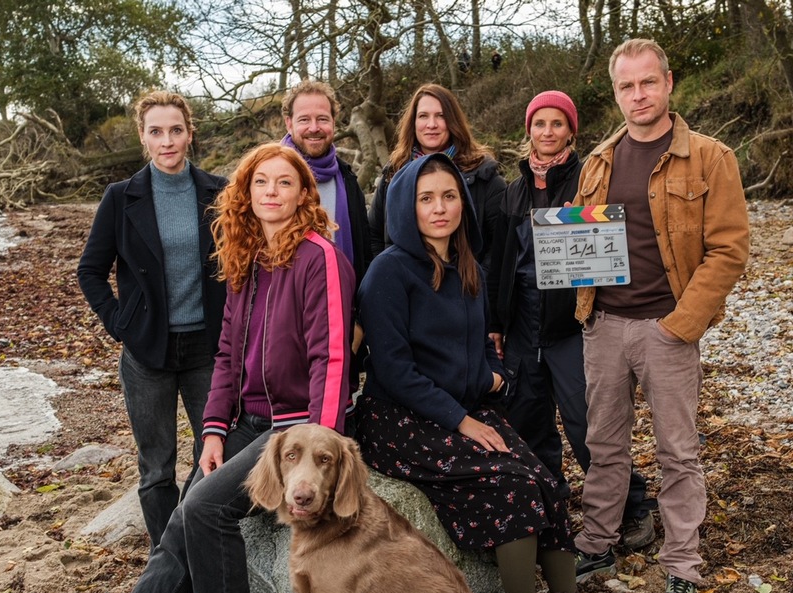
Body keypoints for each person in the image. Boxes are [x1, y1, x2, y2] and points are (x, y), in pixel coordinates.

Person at [81, 143, 355, 593]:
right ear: (245, 194)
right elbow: (226, 353)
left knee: (205, 510)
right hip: (248, 423)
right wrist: (211, 430)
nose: (271, 192)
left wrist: (317, 445)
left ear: (303, 194)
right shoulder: (246, 259)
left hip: (294, 428)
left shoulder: (319, 257)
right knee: (178, 532)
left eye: (284, 183)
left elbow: (333, 355)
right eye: (260, 183)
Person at [356, 153, 614, 593]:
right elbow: (396, 370)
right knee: (509, 487)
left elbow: (486, 338)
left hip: (462, 405)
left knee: (544, 477)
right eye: (426, 198)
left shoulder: (467, 262)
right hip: (398, 418)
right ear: (407, 206)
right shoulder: (389, 271)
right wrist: (464, 421)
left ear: (464, 203)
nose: (440, 207)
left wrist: (494, 370)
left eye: (449, 196)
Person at [570, 38, 750, 593]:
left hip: (666, 328)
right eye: (627, 86)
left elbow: (729, 250)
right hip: (603, 325)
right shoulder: (598, 159)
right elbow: (576, 241)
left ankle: (681, 566)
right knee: (604, 445)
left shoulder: (710, 157)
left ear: (669, 83)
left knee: (678, 451)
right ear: (615, 92)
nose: (638, 95)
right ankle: (597, 543)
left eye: (648, 83)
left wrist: (682, 324)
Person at [487, 90, 656, 547]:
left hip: (573, 329)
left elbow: (613, 249)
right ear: (528, 132)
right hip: (523, 331)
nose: (547, 132)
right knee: (530, 426)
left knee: (590, 428)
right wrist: (496, 323)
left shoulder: (589, 180)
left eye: (557, 124)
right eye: (539, 124)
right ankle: (548, 510)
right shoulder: (512, 192)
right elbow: (501, 264)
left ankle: (634, 506)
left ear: (571, 131)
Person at [77, 91, 227, 549]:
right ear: (143, 137)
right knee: (157, 466)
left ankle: (194, 544)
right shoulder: (121, 198)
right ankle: (168, 563)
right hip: (147, 352)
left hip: (208, 347)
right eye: (157, 132)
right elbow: (90, 270)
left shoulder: (219, 192)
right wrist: (122, 323)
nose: (168, 141)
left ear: (189, 132)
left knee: (214, 457)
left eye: (176, 130)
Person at [367, 83, 505, 263]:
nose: (431, 124)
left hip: (466, 285)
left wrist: (475, 286)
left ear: (452, 121)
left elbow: (499, 247)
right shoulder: (393, 173)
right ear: (413, 123)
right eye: (423, 116)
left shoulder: (484, 174)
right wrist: (390, 277)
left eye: (440, 116)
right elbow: (374, 235)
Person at [279, 79, 373, 283]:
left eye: (322, 119)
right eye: (304, 120)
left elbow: (364, 249)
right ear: (289, 123)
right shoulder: (267, 177)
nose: (314, 128)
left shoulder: (347, 179)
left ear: (333, 122)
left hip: (340, 300)